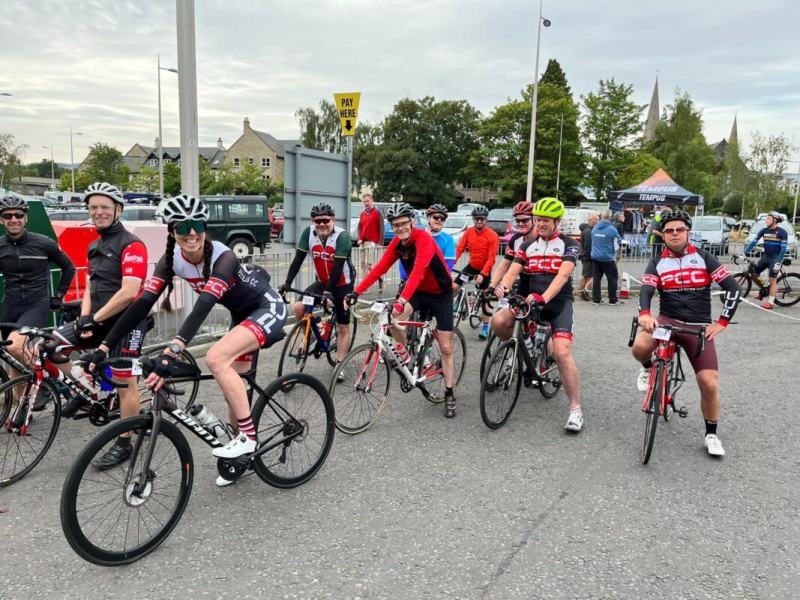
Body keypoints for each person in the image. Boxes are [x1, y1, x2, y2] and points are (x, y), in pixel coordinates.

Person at [88, 194, 287, 486]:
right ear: (172, 231)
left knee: (216, 358)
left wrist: (175, 349)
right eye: (182, 227)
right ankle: (242, 457)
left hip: (266, 308)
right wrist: (103, 347)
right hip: (240, 316)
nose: (191, 232)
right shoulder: (171, 261)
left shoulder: (223, 255)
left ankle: (248, 438)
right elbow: (142, 304)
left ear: (205, 227)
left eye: (197, 224)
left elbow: (203, 306)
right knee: (236, 390)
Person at [48, 182, 150, 468]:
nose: (99, 212)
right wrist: (84, 317)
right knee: (49, 346)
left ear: (118, 209)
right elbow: (91, 287)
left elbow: (129, 292)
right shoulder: (94, 245)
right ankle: (88, 388)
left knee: (124, 380)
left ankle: (125, 441)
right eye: (94, 207)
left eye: (105, 207)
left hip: (128, 321)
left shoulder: (132, 244)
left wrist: (96, 318)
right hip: (99, 317)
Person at [631, 209, 740, 457]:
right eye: (669, 230)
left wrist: (722, 322)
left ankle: (711, 433)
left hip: (697, 326)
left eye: (680, 229)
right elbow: (647, 290)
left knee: (709, 383)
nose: (675, 234)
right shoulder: (657, 261)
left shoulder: (705, 258)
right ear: (664, 235)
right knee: (639, 346)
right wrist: (645, 314)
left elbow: (733, 288)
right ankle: (649, 368)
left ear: (688, 233)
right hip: (667, 322)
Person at [344, 203, 458, 418]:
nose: (400, 228)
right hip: (419, 292)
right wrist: (355, 292)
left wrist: (402, 298)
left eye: (404, 224)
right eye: (396, 225)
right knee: (393, 317)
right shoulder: (397, 243)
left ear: (412, 223)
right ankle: (404, 354)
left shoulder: (424, 239)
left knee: (446, 347)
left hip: (440, 293)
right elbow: (380, 268)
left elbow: (418, 270)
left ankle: (449, 392)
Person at [491, 198, 585, 433]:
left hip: (558, 302)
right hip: (530, 300)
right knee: (499, 320)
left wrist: (544, 296)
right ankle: (522, 349)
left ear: (557, 221)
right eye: (538, 220)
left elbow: (562, 276)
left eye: (545, 220)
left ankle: (576, 409)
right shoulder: (527, 245)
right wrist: (503, 286)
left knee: (562, 353)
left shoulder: (570, 244)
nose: (540, 224)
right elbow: (513, 271)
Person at [0, 195, 75, 408]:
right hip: (10, 305)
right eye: (7, 215)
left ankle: (43, 384)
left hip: (37, 303)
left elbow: (69, 267)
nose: (13, 219)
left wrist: (58, 295)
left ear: (26, 218)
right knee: (12, 358)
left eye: (18, 215)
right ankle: (23, 408)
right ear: (1, 220)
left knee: (16, 347)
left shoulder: (44, 243)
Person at [279, 202, 356, 366]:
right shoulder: (309, 233)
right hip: (322, 282)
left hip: (343, 284)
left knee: (342, 327)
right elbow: (298, 260)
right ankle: (317, 329)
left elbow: (337, 268)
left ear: (333, 220)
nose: (322, 224)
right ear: (312, 221)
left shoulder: (342, 237)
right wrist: (287, 283)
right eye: (317, 220)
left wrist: (328, 292)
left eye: (326, 220)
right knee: (299, 307)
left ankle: (340, 364)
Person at [454, 205, 499, 340]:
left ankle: (485, 327)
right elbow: (460, 249)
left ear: (486, 220)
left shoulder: (492, 236)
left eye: (482, 219)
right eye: (476, 219)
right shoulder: (469, 232)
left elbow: (492, 258)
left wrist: (483, 274)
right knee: (453, 286)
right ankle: (458, 301)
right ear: (473, 219)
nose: (479, 221)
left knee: (485, 299)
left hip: (484, 269)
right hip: (471, 267)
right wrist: (450, 264)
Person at [487, 201, 536, 296]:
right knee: (503, 308)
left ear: (534, 220)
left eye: (525, 220)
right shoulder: (516, 239)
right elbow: (504, 265)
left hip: (542, 287)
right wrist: (491, 287)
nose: (520, 224)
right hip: (524, 284)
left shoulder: (542, 239)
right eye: (518, 221)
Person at [742, 211, 787, 309]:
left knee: (772, 280)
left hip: (775, 258)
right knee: (753, 273)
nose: (766, 220)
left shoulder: (782, 232)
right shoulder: (764, 230)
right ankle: (764, 290)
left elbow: (783, 249)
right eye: (766, 218)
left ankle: (770, 303)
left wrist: (778, 263)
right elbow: (753, 242)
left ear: (774, 220)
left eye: (768, 218)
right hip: (766, 256)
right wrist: (743, 253)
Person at [591, 209, 624, 306]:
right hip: (607, 257)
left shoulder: (595, 227)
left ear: (601, 217)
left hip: (596, 256)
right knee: (612, 278)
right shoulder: (612, 229)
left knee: (596, 278)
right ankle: (613, 300)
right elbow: (618, 241)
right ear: (610, 218)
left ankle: (596, 299)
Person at [357, 194, 385, 293]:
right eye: (364, 202)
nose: (366, 203)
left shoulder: (377, 213)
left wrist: (381, 242)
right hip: (363, 242)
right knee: (362, 265)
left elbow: (382, 227)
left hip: (372, 242)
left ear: (372, 200)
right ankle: (364, 287)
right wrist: (359, 238)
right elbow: (360, 227)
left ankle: (380, 280)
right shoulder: (363, 213)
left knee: (369, 265)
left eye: (367, 201)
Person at [577, 212, 598, 301]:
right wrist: (590, 255)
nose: (598, 221)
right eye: (596, 219)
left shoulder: (586, 229)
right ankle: (584, 289)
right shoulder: (589, 231)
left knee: (586, 274)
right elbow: (588, 245)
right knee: (591, 274)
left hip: (584, 254)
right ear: (590, 220)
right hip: (587, 255)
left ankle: (583, 291)